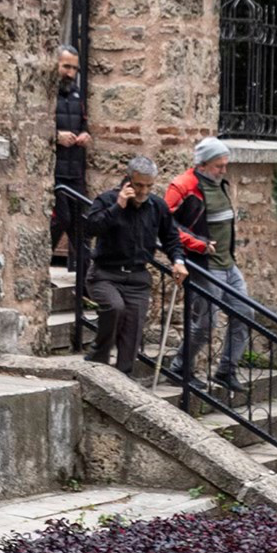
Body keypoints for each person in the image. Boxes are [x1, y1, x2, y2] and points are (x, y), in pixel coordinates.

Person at [84, 157, 189, 373]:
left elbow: (171, 238)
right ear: (128, 180)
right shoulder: (107, 200)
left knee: (132, 331)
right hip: (105, 274)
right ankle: (97, 359)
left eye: (149, 186)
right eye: (139, 185)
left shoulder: (156, 206)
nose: (144, 191)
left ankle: (124, 377)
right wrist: (118, 207)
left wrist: (178, 261)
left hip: (137, 278)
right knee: (114, 308)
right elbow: (91, 228)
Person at [164, 139, 250, 390]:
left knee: (245, 313)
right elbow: (165, 224)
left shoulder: (218, 183)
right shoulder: (183, 186)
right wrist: (197, 244)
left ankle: (226, 370)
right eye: (218, 166)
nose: (224, 170)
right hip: (205, 265)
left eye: (225, 165)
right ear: (202, 165)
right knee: (205, 322)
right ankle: (180, 367)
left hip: (227, 263)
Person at [51, 43, 90, 262]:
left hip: (75, 172)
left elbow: (83, 124)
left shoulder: (77, 95)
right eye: (66, 66)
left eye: (74, 68)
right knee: (61, 218)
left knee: (80, 225)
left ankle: (86, 277)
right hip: (55, 172)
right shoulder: (48, 94)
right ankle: (40, 265)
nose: (70, 73)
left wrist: (85, 135)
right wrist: (57, 136)